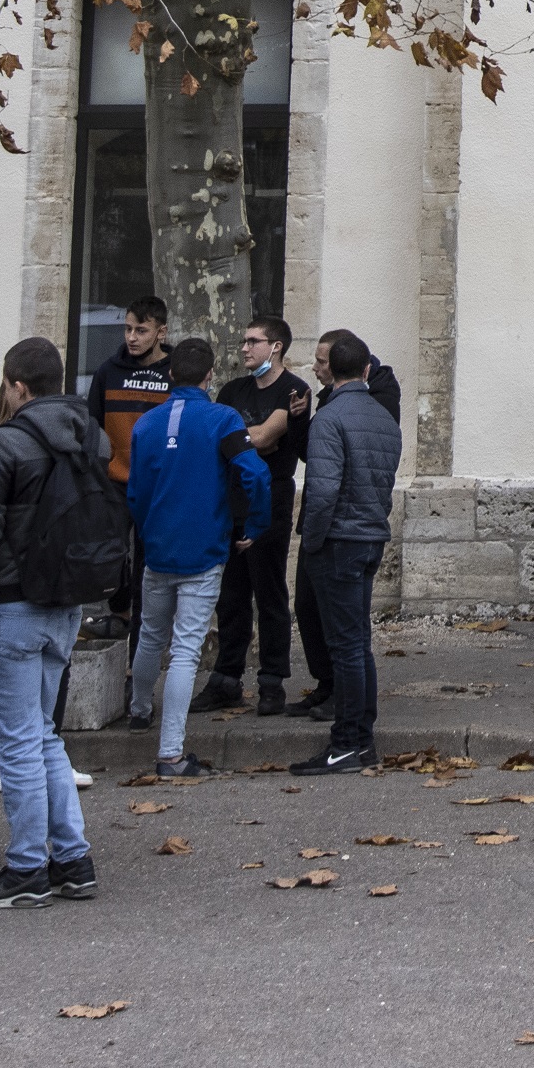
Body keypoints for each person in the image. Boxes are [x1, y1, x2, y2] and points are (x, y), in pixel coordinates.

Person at [0, 338, 129, 911]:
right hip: (65, 602)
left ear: (17, 386)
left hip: (8, 604)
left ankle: (27, 867)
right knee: (44, 735)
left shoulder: (4, 444)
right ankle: (72, 860)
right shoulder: (90, 436)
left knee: (18, 743)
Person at [126, 336, 268, 780]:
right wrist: (254, 525)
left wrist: (149, 529)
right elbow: (255, 473)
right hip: (204, 549)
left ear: (170, 375)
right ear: (209, 375)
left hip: (159, 548)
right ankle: (171, 754)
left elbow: (136, 492)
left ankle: (138, 708)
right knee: (185, 650)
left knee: (151, 634)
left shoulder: (145, 424)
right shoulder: (222, 419)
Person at [288, 328, 402, 775]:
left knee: (347, 649)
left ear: (331, 371)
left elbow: (320, 493)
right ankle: (361, 740)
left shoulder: (329, 419)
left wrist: (312, 541)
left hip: (338, 542)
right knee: (359, 645)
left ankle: (347, 743)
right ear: (367, 369)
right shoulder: (382, 418)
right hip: (369, 536)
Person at [208, 319, 312, 712]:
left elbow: (269, 438)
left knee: (268, 590)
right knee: (231, 594)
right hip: (230, 496)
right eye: (244, 340)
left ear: (276, 347)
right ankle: (226, 677)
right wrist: (251, 438)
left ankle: (272, 682)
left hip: (271, 498)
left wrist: (242, 438)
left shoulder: (295, 390)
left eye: (254, 341)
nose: (245, 348)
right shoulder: (233, 390)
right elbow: (222, 439)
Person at [86, 298, 175, 482]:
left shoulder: (176, 373)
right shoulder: (108, 372)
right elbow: (93, 427)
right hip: (114, 485)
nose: (132, 338)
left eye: (141, 331)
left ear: (161, 332)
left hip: (160, 484)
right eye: (128, 329)